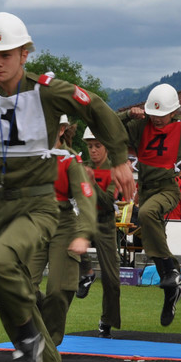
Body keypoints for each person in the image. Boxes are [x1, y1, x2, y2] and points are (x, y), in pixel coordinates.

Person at [0, 11, 134, 362]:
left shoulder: (47, 90)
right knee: (9, 291)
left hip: (39, 203)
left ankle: (30, 341)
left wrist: (120, 158)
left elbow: (94, 107)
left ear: (25, 54)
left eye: (6, 54)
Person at [122, 83, 181, 326]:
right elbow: (108, 127)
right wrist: (127, 115)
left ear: (174, 112)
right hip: (145, 188)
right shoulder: (140, 125)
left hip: (168, 187)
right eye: (153, 114)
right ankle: (171, 286)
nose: (156, 119)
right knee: (149, 237)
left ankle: (171, 271)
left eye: (162, 115)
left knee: (146, 213)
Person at [29, 150, 96, 346]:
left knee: (58, 291)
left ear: (60, 133)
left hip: (64, 223)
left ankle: (49, 345)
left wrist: (83, 234)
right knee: (22, 289)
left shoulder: (70, 159)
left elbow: (85, 199)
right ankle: (46, 323)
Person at [79, 126, 122, 338]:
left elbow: (107, 202)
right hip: (85, 218)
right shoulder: (81, 167)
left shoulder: (115, 171)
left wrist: (91, 181)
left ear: (106, 147)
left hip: (105, 223)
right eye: (90, 146)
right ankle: (86, 272)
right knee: (64, 239)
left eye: (97, 145)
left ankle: (107, 320)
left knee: (112, 279)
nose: (93, 150)